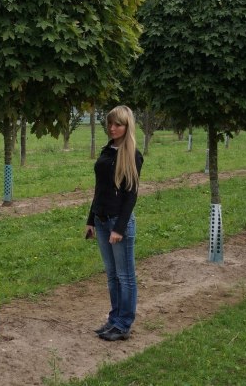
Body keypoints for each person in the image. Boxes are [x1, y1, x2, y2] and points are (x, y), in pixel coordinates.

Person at [84, 105, 143, 341]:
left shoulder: (132, 155)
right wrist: (91, 220)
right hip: (100, 220)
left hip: (118, 222)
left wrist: (119, 228)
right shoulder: (107, 150)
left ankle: (124, 324)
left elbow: (131, 195)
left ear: (127, 126)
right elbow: (100, 189)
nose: (112, 128)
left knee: (125, 275)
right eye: (110, 123)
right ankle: (114, 319)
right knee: (111, 275)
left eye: (117, 124)